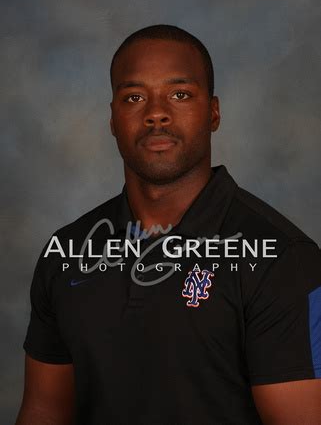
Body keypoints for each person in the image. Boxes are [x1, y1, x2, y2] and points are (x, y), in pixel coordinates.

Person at [16, 25, 321, 425]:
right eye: (134, 97)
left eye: (180, 94)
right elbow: (44, 411)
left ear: (213, 112)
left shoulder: (283, 260)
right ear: (112, 118)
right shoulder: (68, 251)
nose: (156, 112)